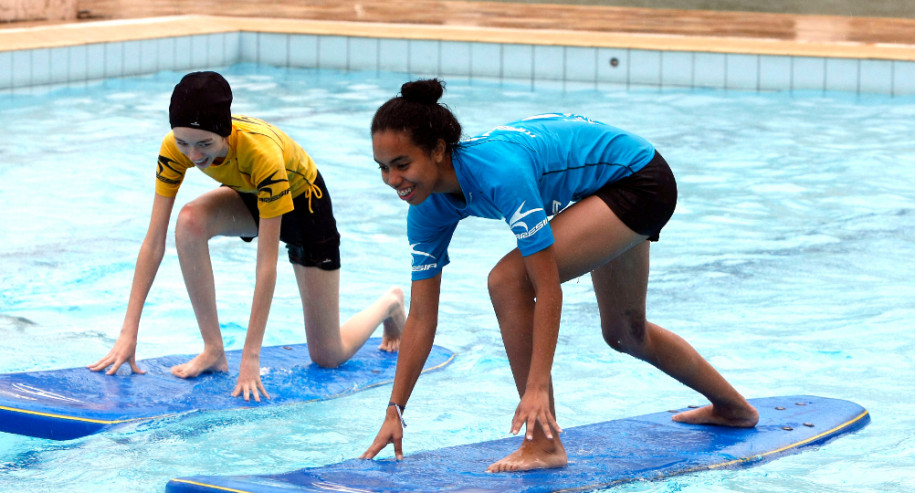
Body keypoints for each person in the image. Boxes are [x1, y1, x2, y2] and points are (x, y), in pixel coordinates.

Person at [361, 78, 759, 472]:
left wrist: (536, 388)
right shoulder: (426, 208)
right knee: (624, 333)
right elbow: (421, 316)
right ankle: (733, 409)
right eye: (383, 168)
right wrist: (395, 408)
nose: (393, 181)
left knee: (507, 280)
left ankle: (543, 443)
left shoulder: (500, 173)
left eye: (402, 165)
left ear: (436, 150)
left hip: (639, 180)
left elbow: (547, 288)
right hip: (606, 187)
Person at [89, 71, 405, 401]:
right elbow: (154, 241)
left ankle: (390, 303)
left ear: (225, 134)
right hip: (251, 195)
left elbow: (266, 266)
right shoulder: (175, 148)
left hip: (306, 208)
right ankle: (213, 350)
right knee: (189, 222)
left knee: (328, 356)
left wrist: (251, 357)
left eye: (204, 145)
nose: (194, 156)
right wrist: (128, 333)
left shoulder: (260, 154)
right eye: (184, 143)